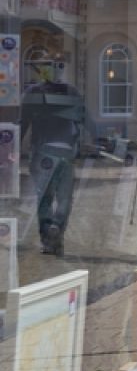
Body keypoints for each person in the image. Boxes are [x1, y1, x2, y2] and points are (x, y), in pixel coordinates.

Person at [22, 65, 85, 255]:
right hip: (67, 150)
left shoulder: (32, 92)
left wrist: (14, 149)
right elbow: (84, 119)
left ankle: (48, 237)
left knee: (44, 198)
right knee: (64, 198)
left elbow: (23, 121)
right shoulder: (72, 92)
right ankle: (57, 229)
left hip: (44, 150)